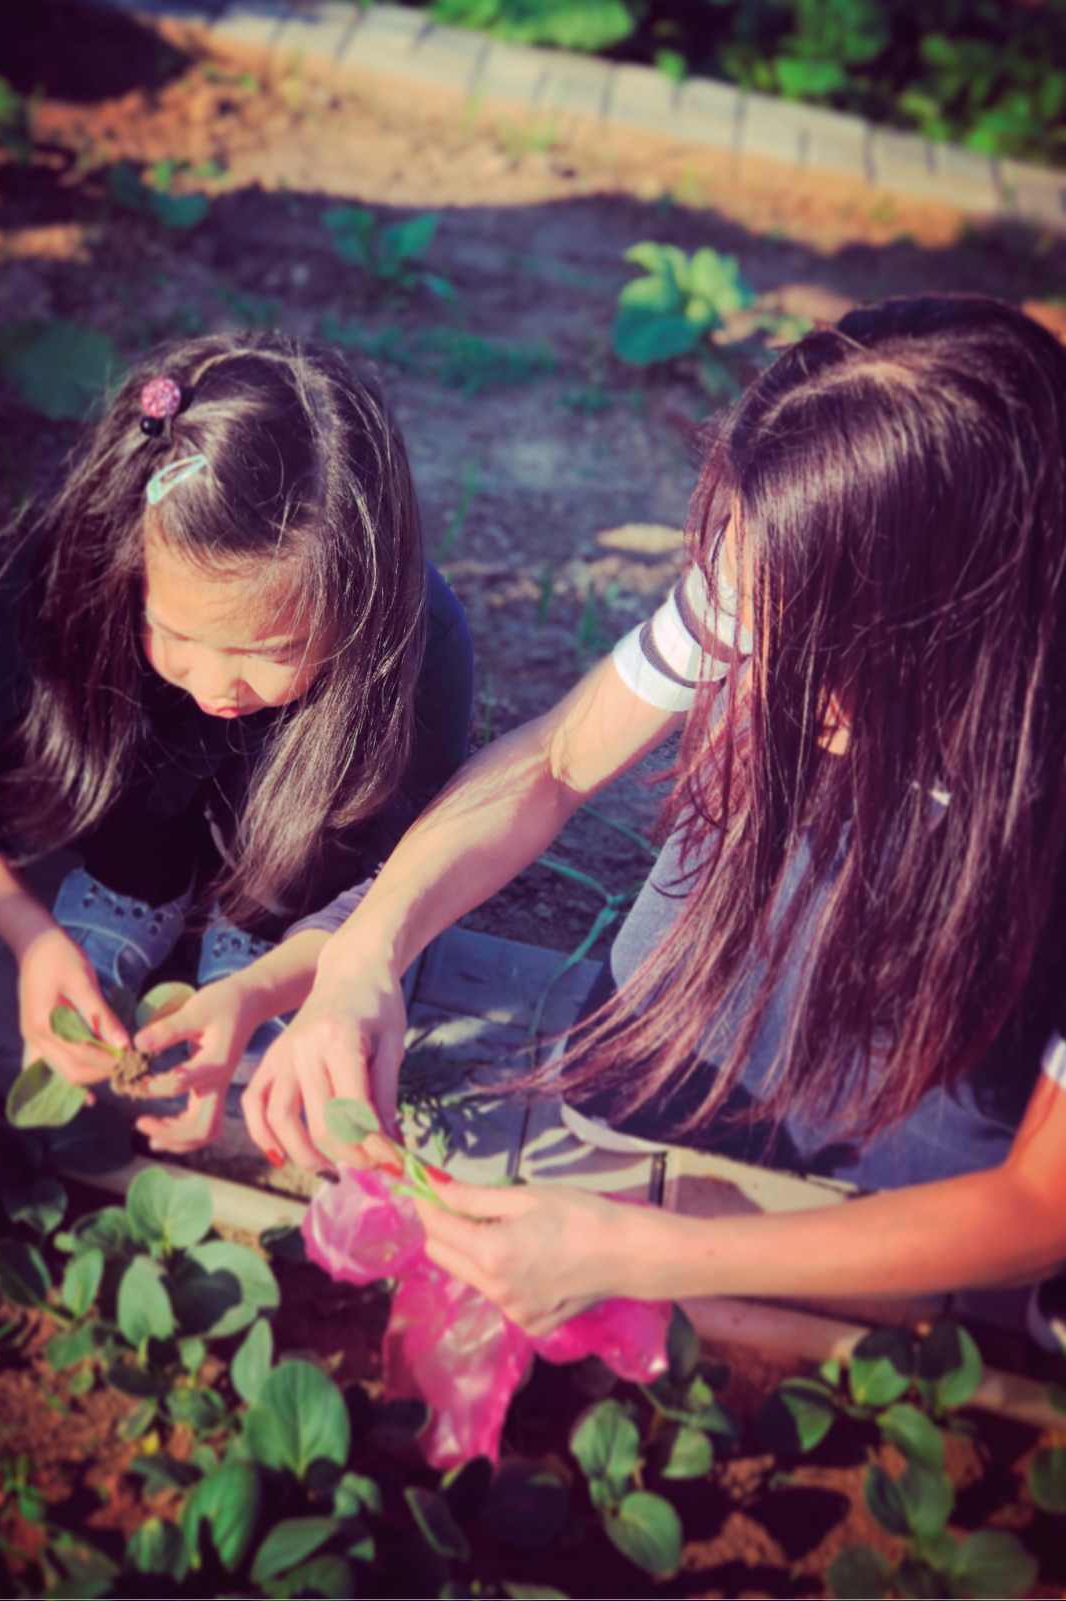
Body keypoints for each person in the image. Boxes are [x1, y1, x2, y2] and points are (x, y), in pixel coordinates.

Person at [242, 296, 1066, 1333]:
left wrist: (645, 1255)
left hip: (941, 1118)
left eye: (804, 653)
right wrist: (364, 950)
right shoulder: (775, 564)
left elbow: (1038, 1204)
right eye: (737, 618)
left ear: (966, 623)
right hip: (731, 1022)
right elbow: (549, 759)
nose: (743, 665)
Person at [0, 333, 473, 1154]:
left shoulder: (418, 640)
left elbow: (409, 878)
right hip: (132, 824)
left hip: (309, 892)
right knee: (133, 773)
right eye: (178, 633)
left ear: (357, 604)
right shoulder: (79, 568)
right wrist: (27, 929)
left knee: (328, 835)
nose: (219, 682)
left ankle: (265, 924)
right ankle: (134, 883)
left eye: (271, 651)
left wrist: (265, 988)